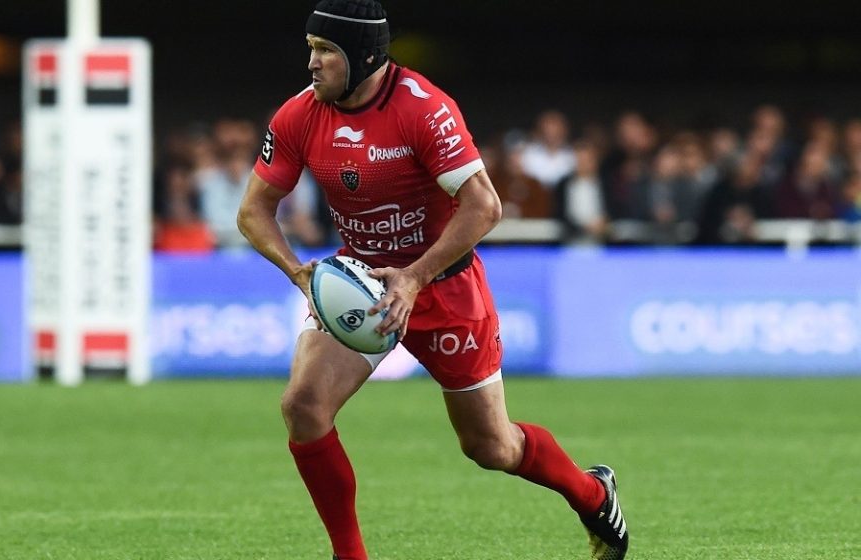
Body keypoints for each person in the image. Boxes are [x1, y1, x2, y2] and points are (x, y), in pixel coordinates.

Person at [236, 2, 629, 559]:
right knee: (303, 406)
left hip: (443, 285)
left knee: (491, 446)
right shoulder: (300, 115)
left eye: (325, 51)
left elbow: (484, 206)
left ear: (363, 55)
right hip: (365, 285)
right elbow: (254, 211)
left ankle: (592, 492)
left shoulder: (423, 109)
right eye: (310, 50)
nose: (313, 64)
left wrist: (415, 278)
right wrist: (300, 273)